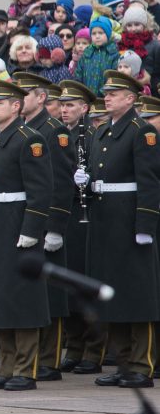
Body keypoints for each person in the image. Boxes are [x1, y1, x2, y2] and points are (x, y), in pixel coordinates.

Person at [76, 70, 160, 388]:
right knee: (115, 295)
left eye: (114, 93)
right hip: (105, 221)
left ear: (131, 99)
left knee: (138, 296)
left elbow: (150, 183)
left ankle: (142, 364)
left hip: (129, 222)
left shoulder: (142, 132)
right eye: (106, 93)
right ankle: (123, 361)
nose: (107, 97)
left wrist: (145, 225)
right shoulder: (101, 133)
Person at [0, 79, 53, 392]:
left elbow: (40, 190)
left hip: (17, 226)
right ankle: (6, 367)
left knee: (22, 300)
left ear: (16, 106)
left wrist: (32, 230)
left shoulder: (28, 139)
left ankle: (25, 369)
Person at [12, 72, 74, 382]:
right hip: (27, 221)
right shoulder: (24, 130)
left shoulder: (53, 131)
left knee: (50, 292)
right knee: (33, 291)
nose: (19, 99)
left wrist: (56, 226)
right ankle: (36, 356)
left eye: (25, 94)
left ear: (41, 98)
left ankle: (50, 358)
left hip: (46, 222)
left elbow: (61, 184)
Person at [56, 79, 108, 375]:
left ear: (85, 108)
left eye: (71, 105)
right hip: (69, 215)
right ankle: (74, 346)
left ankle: (93, 350)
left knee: (86, 283)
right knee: (70, 286)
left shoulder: (93, 135)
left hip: (86, 216)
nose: (65, 110)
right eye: (62, 105)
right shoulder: (61, 135)